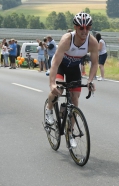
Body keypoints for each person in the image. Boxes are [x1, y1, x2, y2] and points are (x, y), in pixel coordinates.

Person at [45, 12, 98, 148]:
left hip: (74, 68)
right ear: (75, 27)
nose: (84, 31)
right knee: (59, 89)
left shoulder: (92, 42)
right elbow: (55, 63)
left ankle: (70, 132)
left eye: (88, 27)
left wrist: (90, 80)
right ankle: (49, 110)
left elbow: (95, 64)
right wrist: (52, 84)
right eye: (81, 28)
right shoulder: (66, 40)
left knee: (75, 100)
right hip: (61, 66)